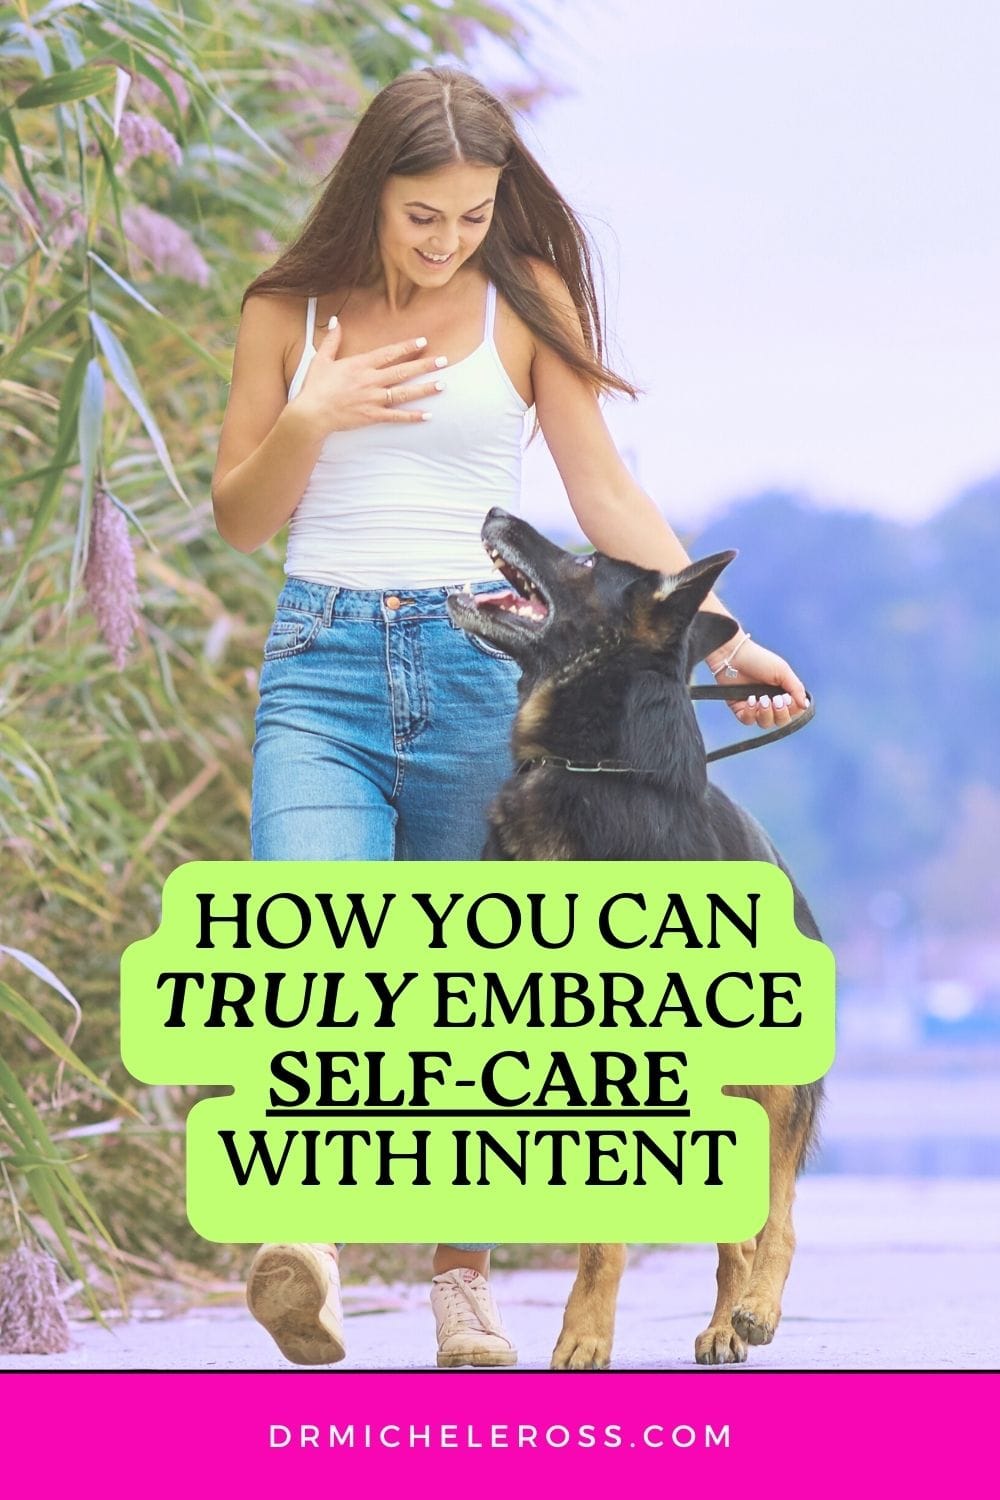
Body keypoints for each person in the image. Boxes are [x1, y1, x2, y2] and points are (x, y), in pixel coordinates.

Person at [210, 65, 808, 1370]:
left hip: (483, 673)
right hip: (324, 665)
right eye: (423, 214)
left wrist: (730, 634)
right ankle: (306, 1242)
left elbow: (602, 495)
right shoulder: (286, 312)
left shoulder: (523, 309)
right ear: (373, 190)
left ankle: (462, 1291)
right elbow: (242, 519)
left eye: (473, 215)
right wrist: (310, 413)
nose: (447, 241)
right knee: (309, 943)